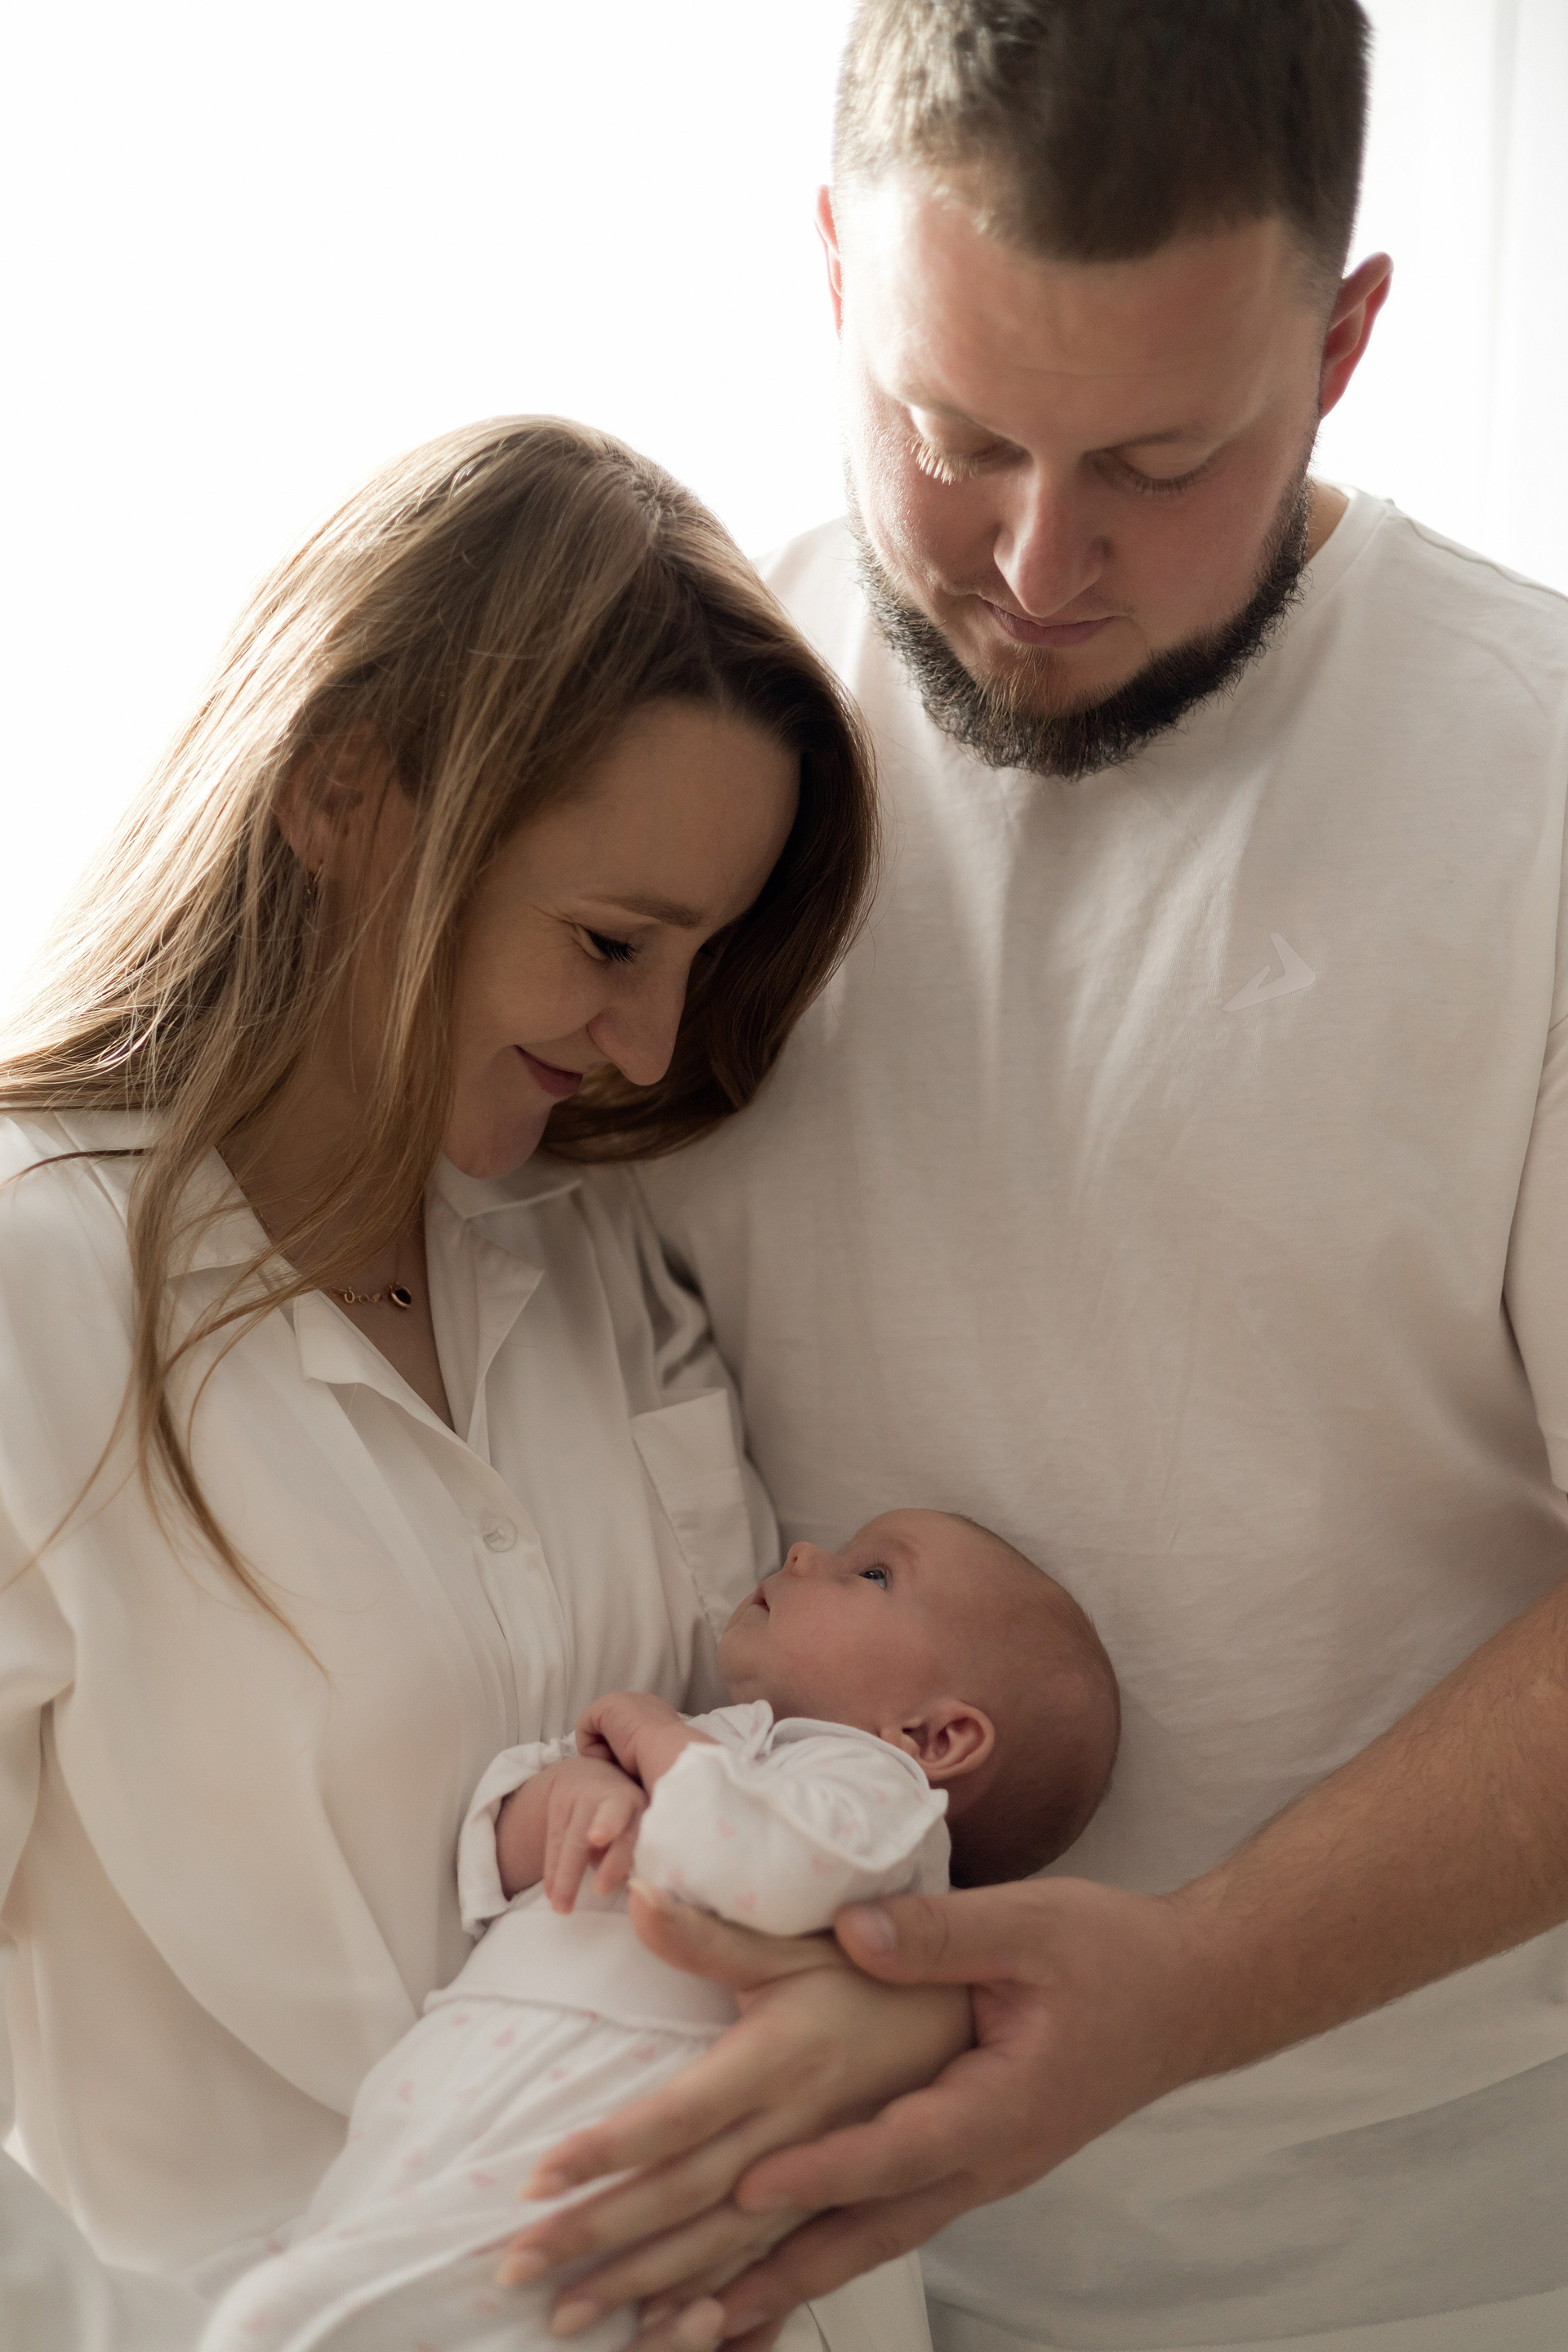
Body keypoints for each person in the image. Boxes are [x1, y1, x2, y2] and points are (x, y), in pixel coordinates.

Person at [492, 7, 1568, 2352]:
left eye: (1159, 460)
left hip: (1421, 2272)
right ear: (832, 274)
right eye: (949, 432)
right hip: (758, 2237)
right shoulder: (692, 757)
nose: (1037, 560)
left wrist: (1188, 1986)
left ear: (1343, 344)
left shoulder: (1539, 794)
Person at [0, 415, 973, 2352]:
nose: (652, 1046)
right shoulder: (42, 1290)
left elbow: (771, 1787)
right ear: (344, 794)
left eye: (698, 960)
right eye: (610, 942)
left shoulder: (598, 1257)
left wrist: (903, 1997)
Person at [195, 1512, 1119, 2352]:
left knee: (330, 2314)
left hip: (609, 2115)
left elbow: (758, 1866)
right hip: (463, 2073)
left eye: (873, 1574)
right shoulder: (730, 1741)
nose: (806, 1554)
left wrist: (650, 1738)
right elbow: (502, 1867)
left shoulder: (880, 1796)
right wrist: (562, 1796)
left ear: (937, 1738)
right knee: (331, 2257)